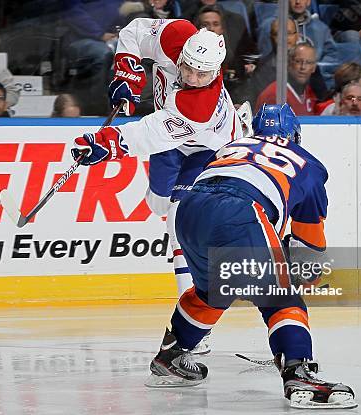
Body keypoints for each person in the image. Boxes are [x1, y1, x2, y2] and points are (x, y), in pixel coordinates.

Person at [144, 103, 357, 410]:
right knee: (281, 297)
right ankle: (299, 373)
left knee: (211, 292)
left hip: (188, 209)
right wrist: (308, 271)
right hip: (240, 209)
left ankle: (173, 355)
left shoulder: (234, 145)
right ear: (295, 134)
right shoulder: (308, 163)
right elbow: (309, 238)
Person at [71, 20, 246, 352]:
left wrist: (106, 144)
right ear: (183, 54)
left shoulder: (199, 106)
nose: (192, 78)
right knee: (158, 203)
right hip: (170, 136)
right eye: (189, 69)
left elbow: (146, 134)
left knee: (177, 221)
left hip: (209, 146)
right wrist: (127, 68)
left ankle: (194, 325)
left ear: (216, 72)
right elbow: (134, 32)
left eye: (202, 74)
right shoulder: (177, 35)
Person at [256, 43, 318, 115]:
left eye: (308, 62)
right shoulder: (274, 95)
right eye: (298, 61)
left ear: (314, 68)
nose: (303, 67)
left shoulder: (309, 92)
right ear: (288, 64)